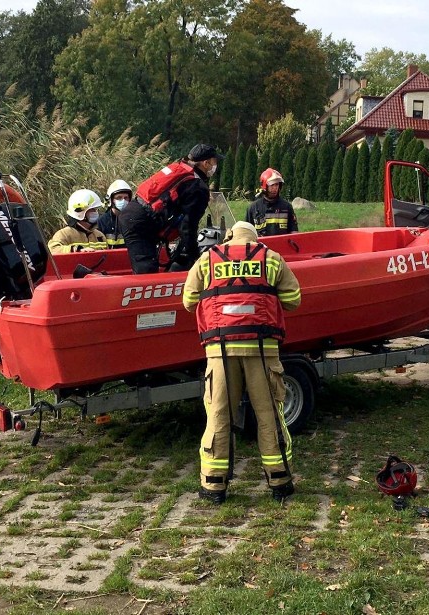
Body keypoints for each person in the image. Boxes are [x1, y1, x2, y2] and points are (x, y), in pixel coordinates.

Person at [183, 221, 302, 505]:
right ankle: (279, 481)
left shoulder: (207, 260)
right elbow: (293, 300)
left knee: (219, 416)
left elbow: (188, 301)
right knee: (269, 415)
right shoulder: (270, 258)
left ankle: (214, 486)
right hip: (262, 350)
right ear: (254, 237)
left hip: (220, 351)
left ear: (229, 237)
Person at [119, 144, 222, 274]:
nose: (215, 165)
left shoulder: (179, 168)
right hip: (141, 223)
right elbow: (188, 226)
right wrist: (195, 256)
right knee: (146, 272)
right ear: (206, 163)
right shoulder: (197, 187)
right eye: (214, 161)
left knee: (150, 265)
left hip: (135, 213)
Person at [47, 189, 107, 255]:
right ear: (80, 212)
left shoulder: (99, 235)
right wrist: (76, 250)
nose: (96, 213)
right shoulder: (64, 234)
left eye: (96, 209)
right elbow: (52, 250)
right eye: (92, 210)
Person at [246, 168, 298, 236]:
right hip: (261, 246)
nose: (275, 188)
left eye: (277, 185)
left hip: (281, 245)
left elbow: (294, 232)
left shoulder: (287, 207)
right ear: (264, 186)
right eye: (272, 185)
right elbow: (246, 233)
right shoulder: (253, 208)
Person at [98, 179, 132, 247]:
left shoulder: (134, 219)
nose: (123, 201)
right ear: (111, 200)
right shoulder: (102, 221)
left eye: (126, 198)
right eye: (119, 198)